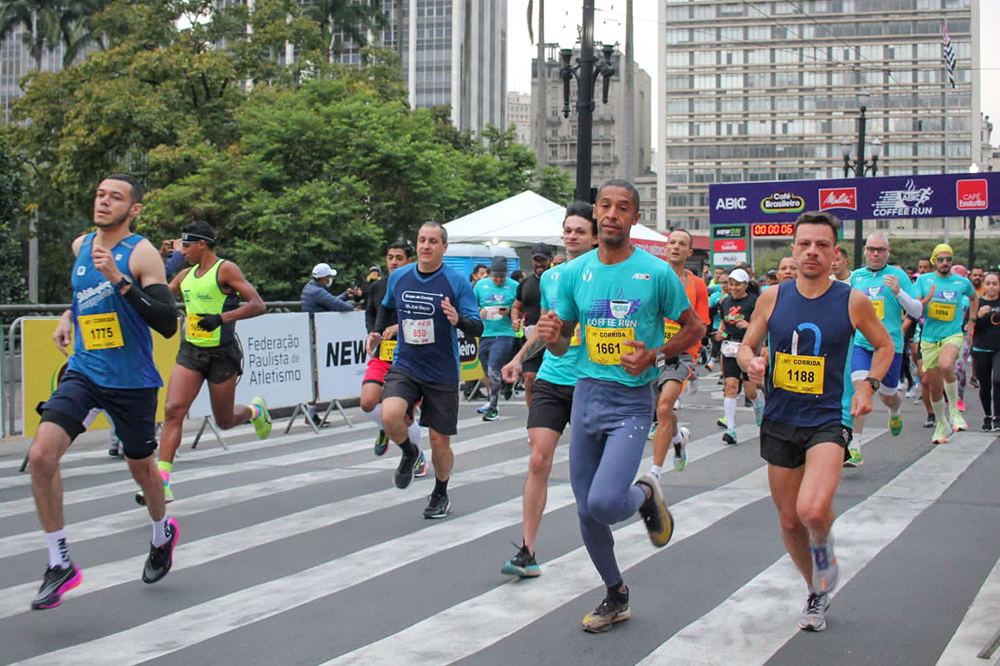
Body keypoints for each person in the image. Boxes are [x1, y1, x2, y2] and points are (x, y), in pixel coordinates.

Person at [538, 179, 705, 633]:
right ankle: (616, 593)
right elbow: (562, 345)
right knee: (585, 509)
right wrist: (553, 340)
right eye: (605, 206)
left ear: (634, 217)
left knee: (608, 502)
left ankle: (646, 492)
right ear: (597, 212)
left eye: (623, 208)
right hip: (586, 394)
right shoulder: (574, 273)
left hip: (631, 401)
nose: (612, 214)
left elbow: (694, 329)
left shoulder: (655, 273)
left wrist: (656, 354)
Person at [28, 174, 181, 610]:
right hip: (85, 369)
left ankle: (160, 533)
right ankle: (59, 563)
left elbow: (166, 323)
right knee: (41, 455)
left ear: (132, 209)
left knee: (142, 469)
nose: (104, 202)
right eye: (100, 194)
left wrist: (120, 279)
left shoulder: (142, 252)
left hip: (132, 380)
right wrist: (67, 316)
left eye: (116, 197)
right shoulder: (81, 246)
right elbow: (83, 293)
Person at [738, 211, 892, 633]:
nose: (812, 251)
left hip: (829, 417)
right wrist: (750, 361)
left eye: (822, 245)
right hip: (780, 416)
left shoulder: (852, 300)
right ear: (793, 249)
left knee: (812, 509)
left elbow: (884, 345)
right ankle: (816, 590)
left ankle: (823, 545)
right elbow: (747, 344)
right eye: (805, 244)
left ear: (835, 253)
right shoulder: (772, 297)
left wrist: (868, 386)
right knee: (789, 520)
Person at [137, 221, 271, 505]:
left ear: (202, 244)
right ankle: (162, 481)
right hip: (192, 351)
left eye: (187, 246)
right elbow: (155, 292)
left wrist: (222, 318)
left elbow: (258, 305)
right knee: (173, 410)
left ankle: (255, 411)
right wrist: (160, 259)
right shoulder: (185, 274)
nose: (183, 251)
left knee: (224, 421)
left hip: (222, 353)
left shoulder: (226, 270)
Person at [499, 202, 597, 578]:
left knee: (590, 476)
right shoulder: (551, 278)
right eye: (568, 230)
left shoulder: (602, 273)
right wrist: (519, 358)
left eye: (580, 231)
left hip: (591, 382)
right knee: (539, 460)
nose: (572, 236)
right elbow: (547, 328)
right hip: (553, 379)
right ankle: (528, 551)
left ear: (593, 237)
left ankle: (603, 542)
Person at [368, 222, 482, 519]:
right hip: (406, 364)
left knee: (439, 441)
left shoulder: (456, 282)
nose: (426, 246)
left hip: (442, 371)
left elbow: (477, 326)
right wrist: (377, 332)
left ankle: (440, 493)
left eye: (433, 241)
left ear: (444, 247)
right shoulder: (401, 276)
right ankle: (409, 452)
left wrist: (458, 320)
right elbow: (386, 305)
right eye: (421, 240)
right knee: (389, 414)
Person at [845, 232, 923, 466]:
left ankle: (895, 411)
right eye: (871, 249)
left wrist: (899, 292)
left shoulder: (898, 275)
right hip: (862, 345)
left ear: (888, 252)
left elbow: (918, 311)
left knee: (888, 395)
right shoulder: (857, 277)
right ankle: (855, 446)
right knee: (860, 390)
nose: (876, 254)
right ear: (865, 251)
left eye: (880, 250)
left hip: (889, 347)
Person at [360, 241, 426, 477]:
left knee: (405, 416)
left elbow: (427, 317)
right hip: (384, 353)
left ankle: (416, 454)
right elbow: (371, 313)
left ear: (410, 260)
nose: (393, 262)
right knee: (368, 404)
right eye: (390, 257)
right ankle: (385, 427)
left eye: (399, 257)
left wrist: (398, 328)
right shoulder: (379, 287)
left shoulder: (420, 284)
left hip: (412, 357)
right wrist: (373, 332)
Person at [649, 229, 710, 477]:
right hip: (654, 353)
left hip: (681, 356)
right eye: (671, 242)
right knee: (659, 408)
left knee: (664, 407)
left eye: (681, 244)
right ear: (666, 248)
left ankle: (655, 473)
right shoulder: (652, 277)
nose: (675, 247)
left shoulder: (698, 285)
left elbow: (701, 326)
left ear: (689, 252)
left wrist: (691, 355)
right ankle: (678, 439)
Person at [916, 243, 978, 443]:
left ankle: (955, 411)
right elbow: (915, 305)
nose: (944, 263)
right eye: (940, 259)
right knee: (934, 387)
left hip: (952, 334)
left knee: (946, 365)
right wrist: (925, 301)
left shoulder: (961, 282)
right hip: (929, 338)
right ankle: (941, 424)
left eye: (948, 259)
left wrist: (971, 321)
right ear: (934, 261)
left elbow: (974, 298)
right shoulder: (925, 280)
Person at [716, 268, 764, 443]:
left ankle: (759, 406)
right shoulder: (725, 302)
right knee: (730, 386)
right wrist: (721, 332)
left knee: (751, 392)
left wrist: (749, 324)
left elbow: (762, 324)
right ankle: (730, 429)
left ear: (745, 285)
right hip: (729, 348)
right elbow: (724, 321)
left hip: (748, 348)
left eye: (737, 284)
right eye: (730, 284)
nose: (733, 287)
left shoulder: (754, 301)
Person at [473, 256, 519, 421]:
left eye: (501, 277)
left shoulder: (514, 286)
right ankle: (503, 385)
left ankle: (493, 408)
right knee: (487, 369)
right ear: (489, 274)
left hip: (505, 333)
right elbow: (470, 306)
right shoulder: (480, 285)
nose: (498, 280)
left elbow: (519, 307)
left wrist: (510, 312)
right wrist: (480, 312)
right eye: (495, 277)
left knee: (494, 367)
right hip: (485, 333)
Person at [511, 242, 552, 406]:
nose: (539, 264)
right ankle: (533, 417)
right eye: (536, 260)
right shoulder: (525, 284)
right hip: (530, 338)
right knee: (529, 378)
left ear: (549, 260)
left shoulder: (556, 280)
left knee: (550, 381)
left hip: (552, 338)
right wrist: (515, 320)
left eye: (542, 260)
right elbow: (516, 306)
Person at [972, 271, 1000, 430]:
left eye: (995, 284)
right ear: (984, 285)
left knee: (998, 380)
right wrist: (978, 316)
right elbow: (967, 326)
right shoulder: (978, 303)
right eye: (988, 283)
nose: (991, 287)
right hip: (981, 347)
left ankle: (998, 417)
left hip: (998, 348)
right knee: (985, 385)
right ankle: (988, 415)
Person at [706, 270, 728, 371]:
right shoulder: (715, 296)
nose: (724, 285)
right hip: (717, 327)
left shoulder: (733, 296)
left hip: (730, 330)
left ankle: (715, 362)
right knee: (718, 341)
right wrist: (718, 306)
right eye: (722, 282)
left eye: (726, 282)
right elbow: (709, 313)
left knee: (725, 353)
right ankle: (712, 360)